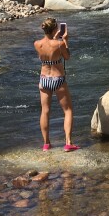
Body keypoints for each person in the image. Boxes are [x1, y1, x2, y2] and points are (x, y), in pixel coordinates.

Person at [34, 18, 77, 152]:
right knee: (68, 110)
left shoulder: (37, 43)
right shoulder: (59, 44)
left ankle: (46, 144)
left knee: (45, 111)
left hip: (44, 79)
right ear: (54, 29)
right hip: (58, 78)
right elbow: (67, 57)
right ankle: (68, 143)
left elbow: (43, 56)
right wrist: (65, 40)